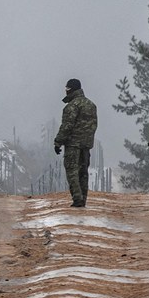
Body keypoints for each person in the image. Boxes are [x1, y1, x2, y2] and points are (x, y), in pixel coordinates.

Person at [53, 78, 98, 208]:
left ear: (71, 90)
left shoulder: (72, 106)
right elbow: (94, 125)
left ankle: (77, 198)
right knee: (83, 172)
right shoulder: (91, 105)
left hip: (73, 144)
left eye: (67, 89)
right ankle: (83, 198)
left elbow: (67, 126)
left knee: (72, 171)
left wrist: (58, 142)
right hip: (86, 145)